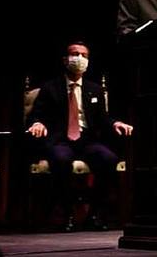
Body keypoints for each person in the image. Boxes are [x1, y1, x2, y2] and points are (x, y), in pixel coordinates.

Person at [26, 42, 134, 231]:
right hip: (60, 139)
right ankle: (65, 213)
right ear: (65, 59)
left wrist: (116, 123)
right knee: (61, 159)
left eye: (84, 55)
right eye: (75, 54)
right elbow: (37, 114)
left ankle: (94, 214)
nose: (79, 59)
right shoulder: (50, 88)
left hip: (87, 140)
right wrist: (37, 123)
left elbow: (103, 119)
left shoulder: (95, 89)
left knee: (109, 159)